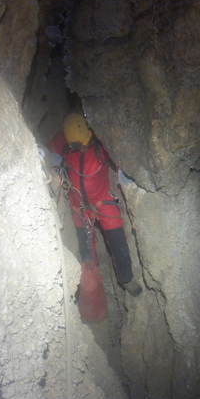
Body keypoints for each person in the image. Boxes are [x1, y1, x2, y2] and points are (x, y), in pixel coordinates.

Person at [48, 113, 142, 297]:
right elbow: (48, 153)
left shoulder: (101, 144)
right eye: (78, 146)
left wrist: (126, 177)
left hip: (102, 200)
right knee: (86, 249)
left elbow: (122, 157)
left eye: (84, 144)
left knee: (118, 242)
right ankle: (91, 279)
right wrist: (51, 165)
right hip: (78, 204)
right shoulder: (63, 141)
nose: (82, 148)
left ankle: (126, 279)